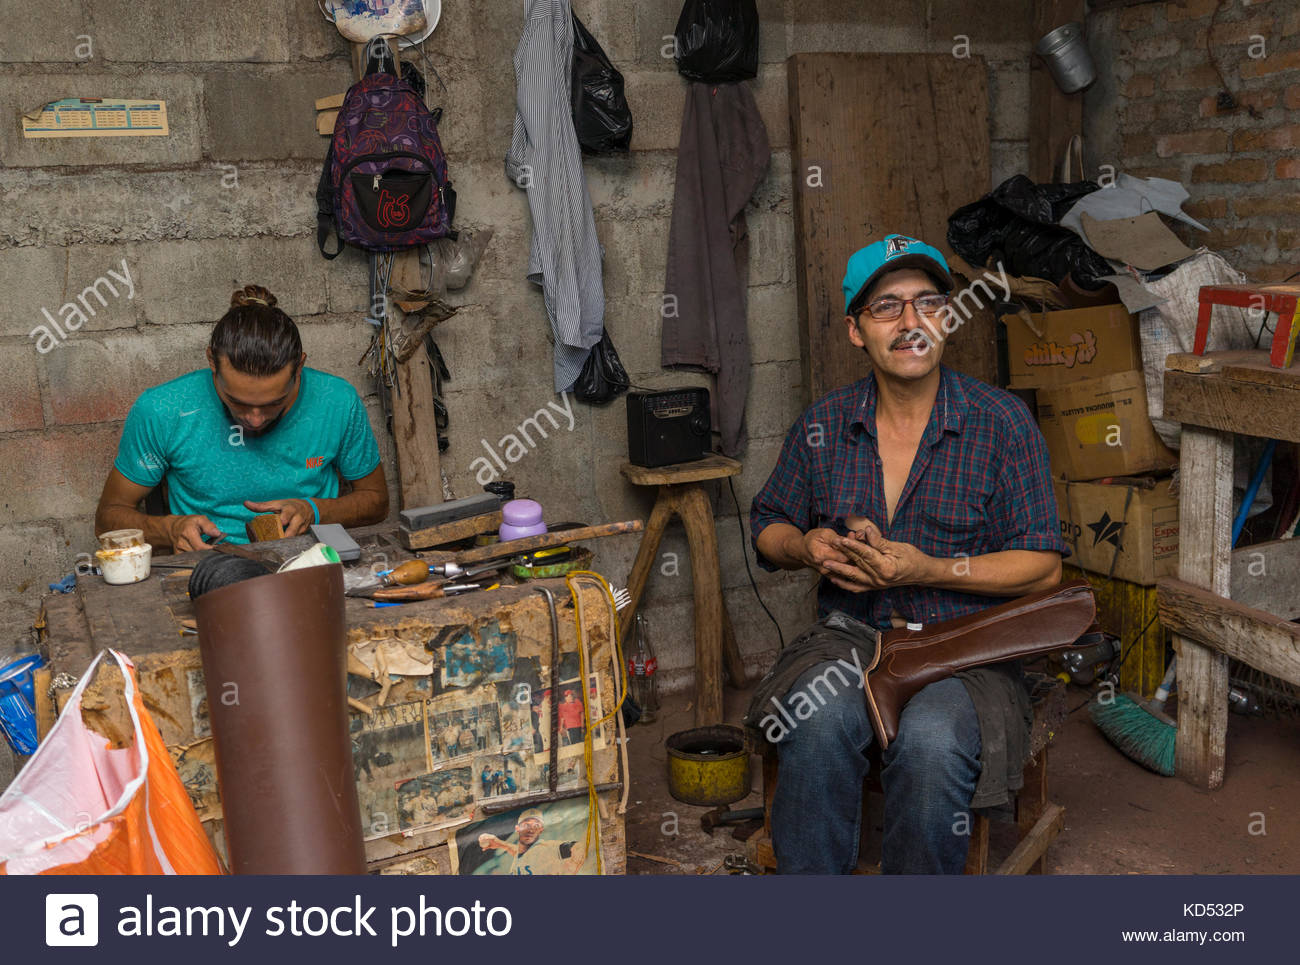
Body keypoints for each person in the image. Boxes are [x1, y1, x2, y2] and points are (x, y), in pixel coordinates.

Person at [748, 235, 1068, 875]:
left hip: (965, 647)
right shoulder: (825, 424)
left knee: (931, 742)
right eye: (887, 308)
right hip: (851, 638)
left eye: (929, 303)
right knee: (811, 723)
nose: (912, 323)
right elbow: (767, 524)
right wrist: (807, 546)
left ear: (948, 317)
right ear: (856, 331)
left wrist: (926, 569)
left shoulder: (1000, 423)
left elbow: (1044, 566)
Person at [94, 285, 388, 550]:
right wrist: (169, 529)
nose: (255, 420)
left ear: (299, 367)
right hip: (209, 566)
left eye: (275, 403)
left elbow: (377, 501)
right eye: (237, 402)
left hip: (310, 558)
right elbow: (108, 519)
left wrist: (315, 511)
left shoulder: (336, 401)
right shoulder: (164, 409)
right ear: (212, 362)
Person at [477, 808, 589, 875]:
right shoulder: (524, 852)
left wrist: (571, 868)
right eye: (526, 825)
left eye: (536, 826)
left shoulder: (545, 848)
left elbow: (578, 847)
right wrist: (500, 844)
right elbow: (519, 852)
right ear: (517, 829)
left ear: (541, 830)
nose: (531, 830)